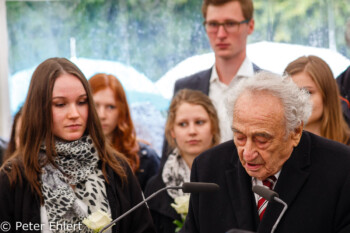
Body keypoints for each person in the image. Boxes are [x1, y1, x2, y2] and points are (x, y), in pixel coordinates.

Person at [181, 71, 350, 233]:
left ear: (295, 132)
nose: (247, 153)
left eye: (261, 140)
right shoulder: (207, 168)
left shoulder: (341, 169)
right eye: (239, 137)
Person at [0, 58, 155, 233]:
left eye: (82, 102)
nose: (74, 114)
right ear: (39, 109)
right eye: (60, 104)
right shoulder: (13, 177)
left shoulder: (116, 168)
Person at [162, 0, 261, 164]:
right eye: (213, 24)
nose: (221, 34)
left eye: (230, 23)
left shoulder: (272, 88)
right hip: (197, 186)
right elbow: (169, 158)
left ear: (250, 26)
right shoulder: (185, 87)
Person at [145, 89, 220, 233]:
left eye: (199, 122)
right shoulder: (156, 187)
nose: (192, 131)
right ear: (172, 130)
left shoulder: (234, 177)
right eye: (183, 124)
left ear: (213, 127)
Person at [89, 73, 160, 191]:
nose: (102, 115)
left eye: (110, 107)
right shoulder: (68, 155)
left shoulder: (145, 159)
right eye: (95, 106)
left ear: (122, 111)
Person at [284, 55, 350, 145]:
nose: (298, 100)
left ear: (327, 96)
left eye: (307, 92)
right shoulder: (273, 147)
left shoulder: (346, 147)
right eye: (290, 93)